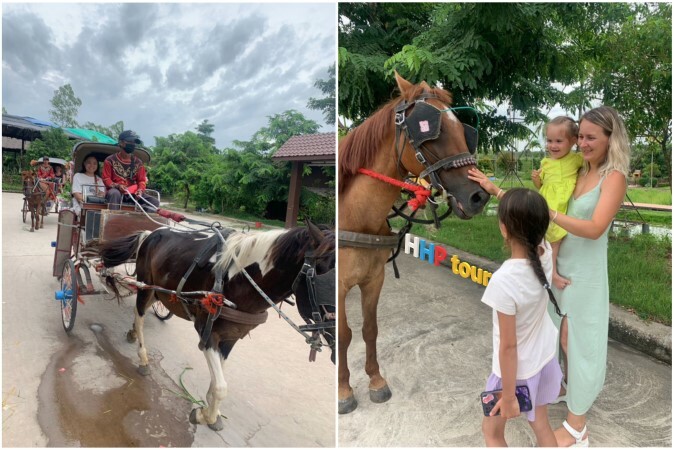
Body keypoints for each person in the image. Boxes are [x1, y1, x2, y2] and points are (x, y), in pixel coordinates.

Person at [469, 105, 630, 447]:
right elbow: (534, 205)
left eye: (590, 137)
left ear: (610, 138)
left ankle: (577, 425)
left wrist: (550, 213)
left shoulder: (613, 177)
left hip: (585, 273)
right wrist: (497, 190)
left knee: (579, 343)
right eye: (581, 136)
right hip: (554, 266)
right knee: (551, 336)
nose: (583, 143)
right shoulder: (574, 169)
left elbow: (595, 227)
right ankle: (557, 389)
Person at [480, 188, 563, 448]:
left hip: (515, 374)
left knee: (492, 433)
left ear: (503, 229)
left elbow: (508, 346)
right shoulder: (546, 253)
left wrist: (507, 395)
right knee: (541, 425)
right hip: (544, 362)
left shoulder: (504, 281)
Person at [532, 116, 583, 290]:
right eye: (549, 141)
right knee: (543, 238)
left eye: (559, 141)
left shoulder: (576, 159)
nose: (553, 145)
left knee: (556, 239)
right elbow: (542, 186)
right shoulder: (545, 162)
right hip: (547, 202)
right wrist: (536, 180)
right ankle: (541, 268)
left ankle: (551, 272)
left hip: (560, 205)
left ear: (573, 141)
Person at [102, 130, 160, 211]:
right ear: (121, 143)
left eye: (134, 142)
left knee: (154, 202)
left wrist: (140, 191)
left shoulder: (138, 163)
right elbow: (106, 179)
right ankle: (113, 221)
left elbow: (141, 181)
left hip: (132, 192)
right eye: (130, 142)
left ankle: (142, 222)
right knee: (114, 194)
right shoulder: (109, 160)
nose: (132, 144)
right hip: (115, 191)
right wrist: (117, 186)